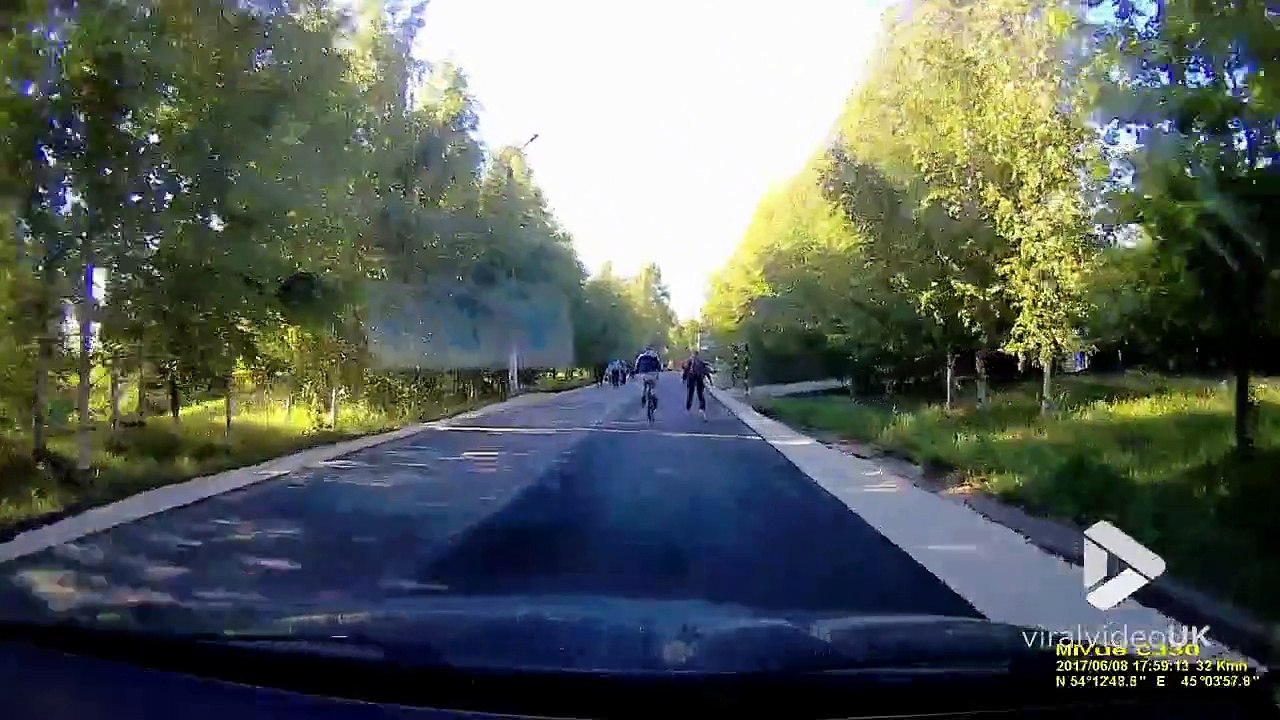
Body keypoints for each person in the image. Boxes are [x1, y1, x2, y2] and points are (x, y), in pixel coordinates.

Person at [682, 350, 712, 421]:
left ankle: (688, 408)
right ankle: (702, 409)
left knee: (690, 393)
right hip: (699, 379)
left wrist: (684, 378)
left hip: (691, 378)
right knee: (700, 394)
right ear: (697, 355)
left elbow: (686, 370)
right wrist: (710, 380)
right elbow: (706, 371)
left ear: (692, 354)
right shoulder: (700, 362)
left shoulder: (690, 361)